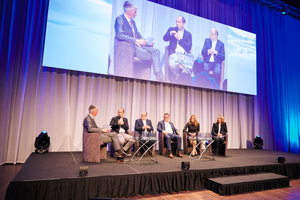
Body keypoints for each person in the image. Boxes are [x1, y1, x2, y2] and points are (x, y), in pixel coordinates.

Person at [114, 1, 164, 81]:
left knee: (156, 51)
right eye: (135, 12)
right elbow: (119, 35)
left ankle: (159, 76)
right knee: (152, 56)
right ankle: (158, 77)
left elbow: (138, 35)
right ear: (128, 12)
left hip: (139, 46)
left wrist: (147, 42)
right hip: (131, 47)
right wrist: (136, 40)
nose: (136, 14)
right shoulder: (120, 19)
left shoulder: (133, 22)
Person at [163, 15, 193, 83]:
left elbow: (189, 48)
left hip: (184, 55)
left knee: (189, 68)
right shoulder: (172, 29)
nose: (177, 23)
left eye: (179, 22)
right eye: (176, 21)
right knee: (172, 64)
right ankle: (179, 77)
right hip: (174, 54)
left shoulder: (188, 34)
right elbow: (164, 38)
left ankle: (180, 79)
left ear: (183, 24)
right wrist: (170, 33)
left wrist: (179, 39)